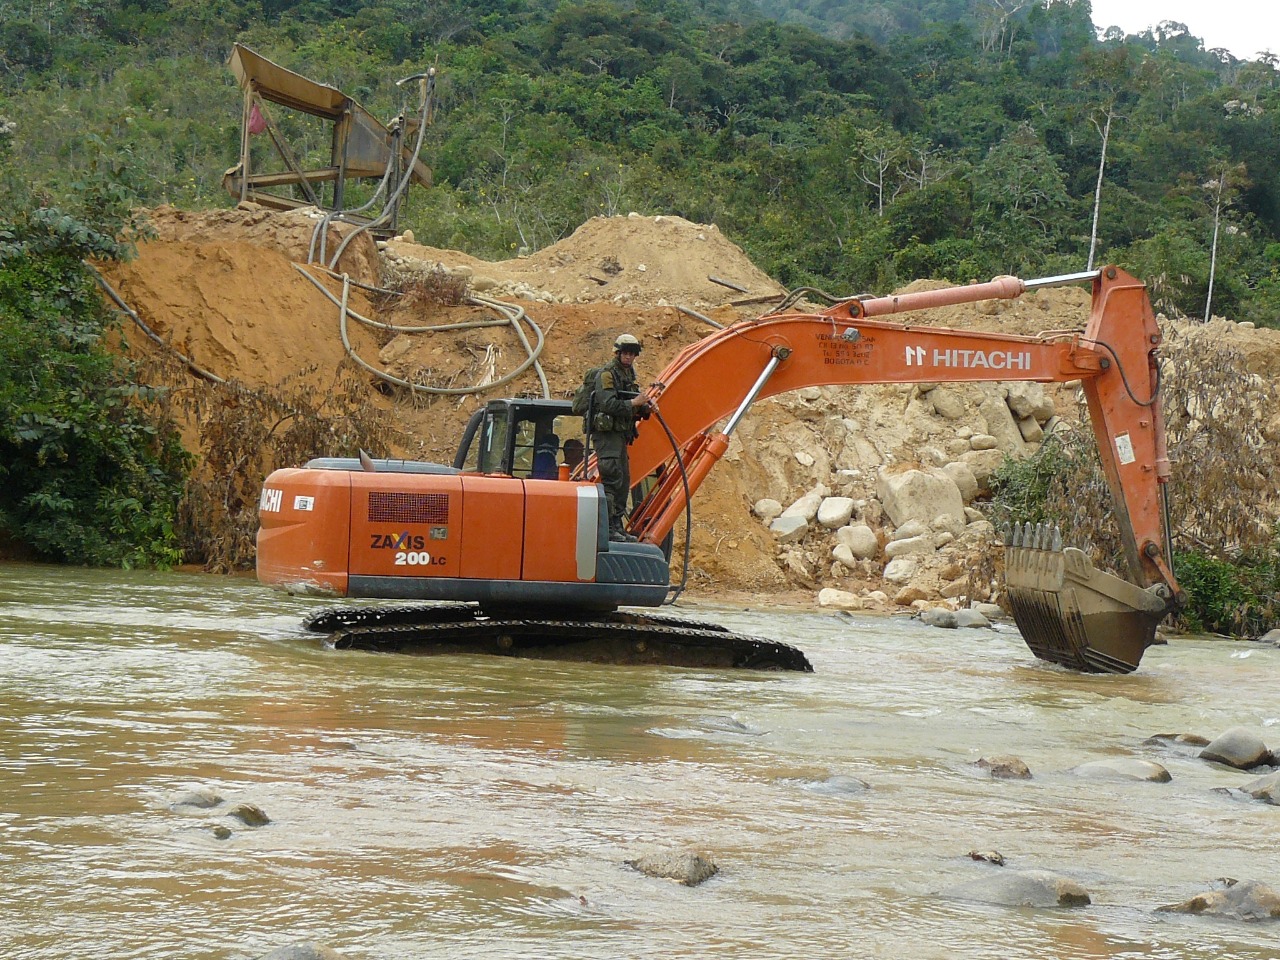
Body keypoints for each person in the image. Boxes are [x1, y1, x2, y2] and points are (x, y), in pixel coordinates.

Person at [585, 333, 654, 542]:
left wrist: (645, 406)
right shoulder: (607, 374)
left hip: (619, 436)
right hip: (607, 436)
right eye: (626, 353)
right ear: (618, 352)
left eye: (632, 354)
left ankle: (616, 526)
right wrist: (634, 403)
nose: (629, 357)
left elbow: (630, 405)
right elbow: (608, 404)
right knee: (612, 479)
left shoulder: (628, 375)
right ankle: (608, 528)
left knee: (623, 481)